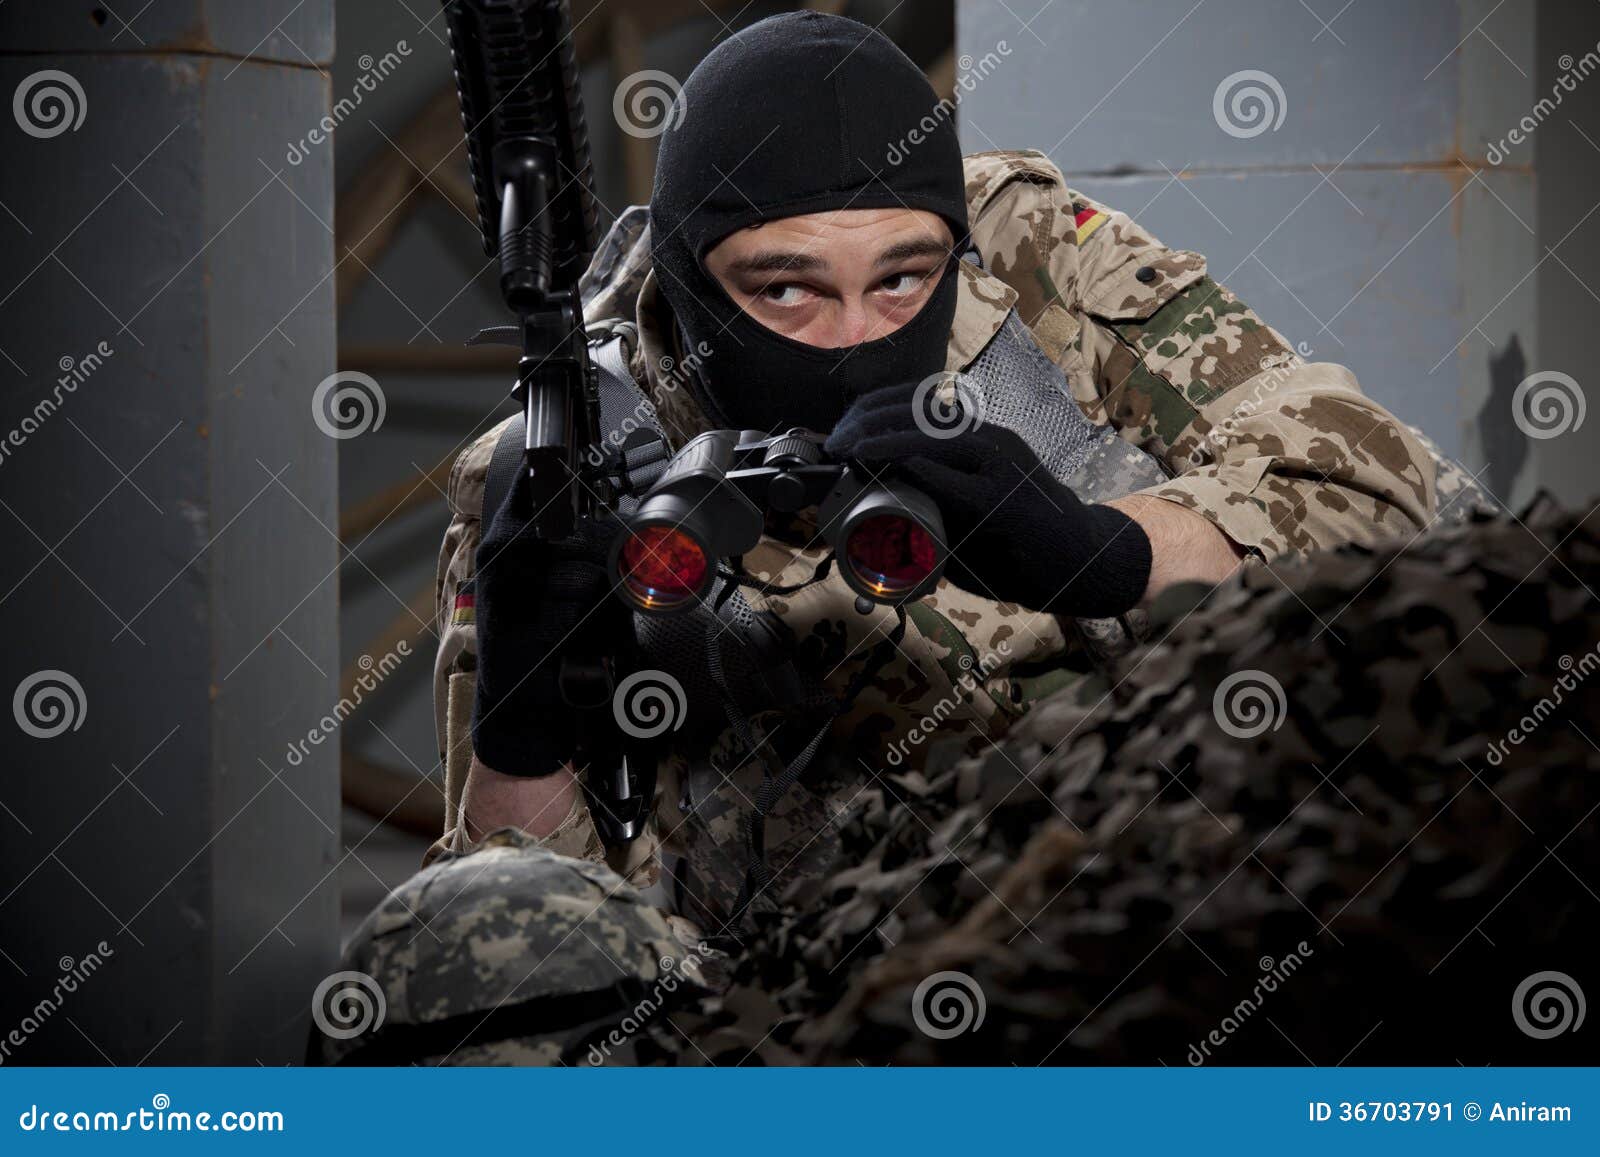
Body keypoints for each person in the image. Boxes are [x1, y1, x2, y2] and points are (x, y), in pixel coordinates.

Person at [427, 11, 1475, 934]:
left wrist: (1106, 551)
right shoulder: (560, 467)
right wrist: (520, 730)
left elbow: (1378, 482)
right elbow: (520, 954)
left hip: (1127, 907)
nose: (852, 336)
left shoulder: (1029, 256)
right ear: (691, 280)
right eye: (784, 291)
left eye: (901, 279)